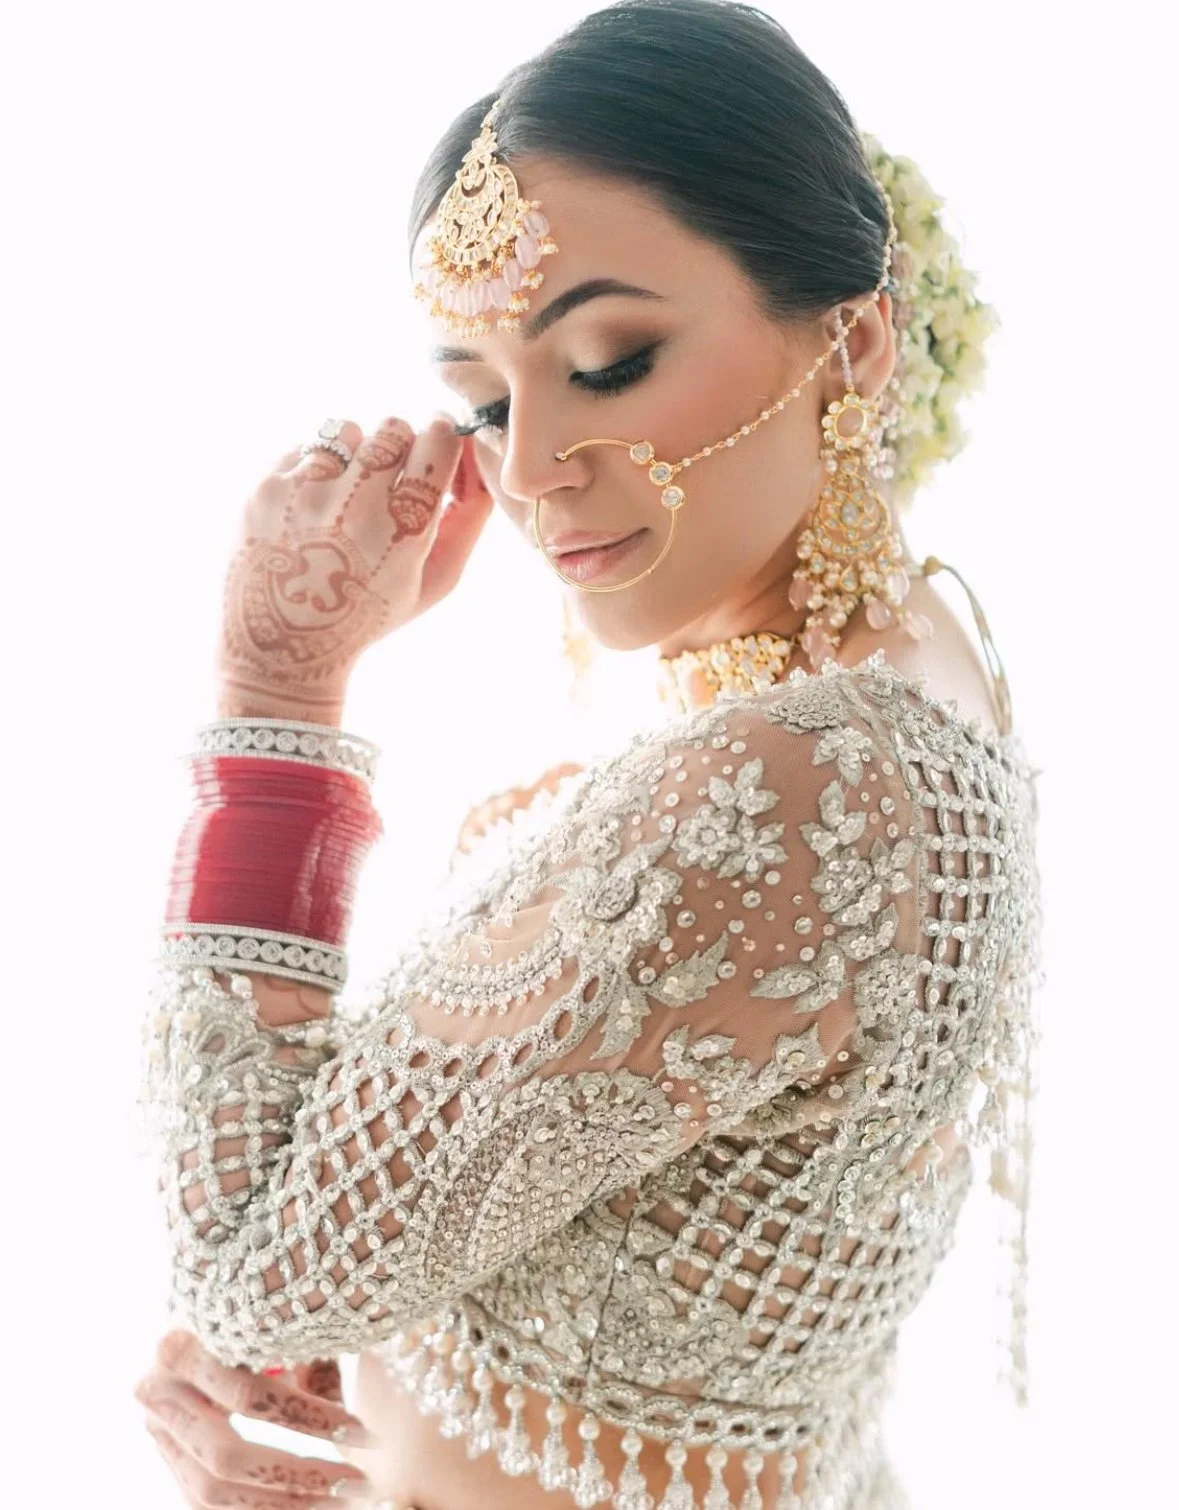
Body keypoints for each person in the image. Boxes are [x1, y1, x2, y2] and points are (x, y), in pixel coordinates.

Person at [132, 3, 1045, 1508]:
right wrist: (350, 1307)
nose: (529, 462)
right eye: (485, 397)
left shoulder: (797, 776)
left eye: (611, 361)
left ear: (857, 339)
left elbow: (247, 1270)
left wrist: (276, 689)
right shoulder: (922, 659)